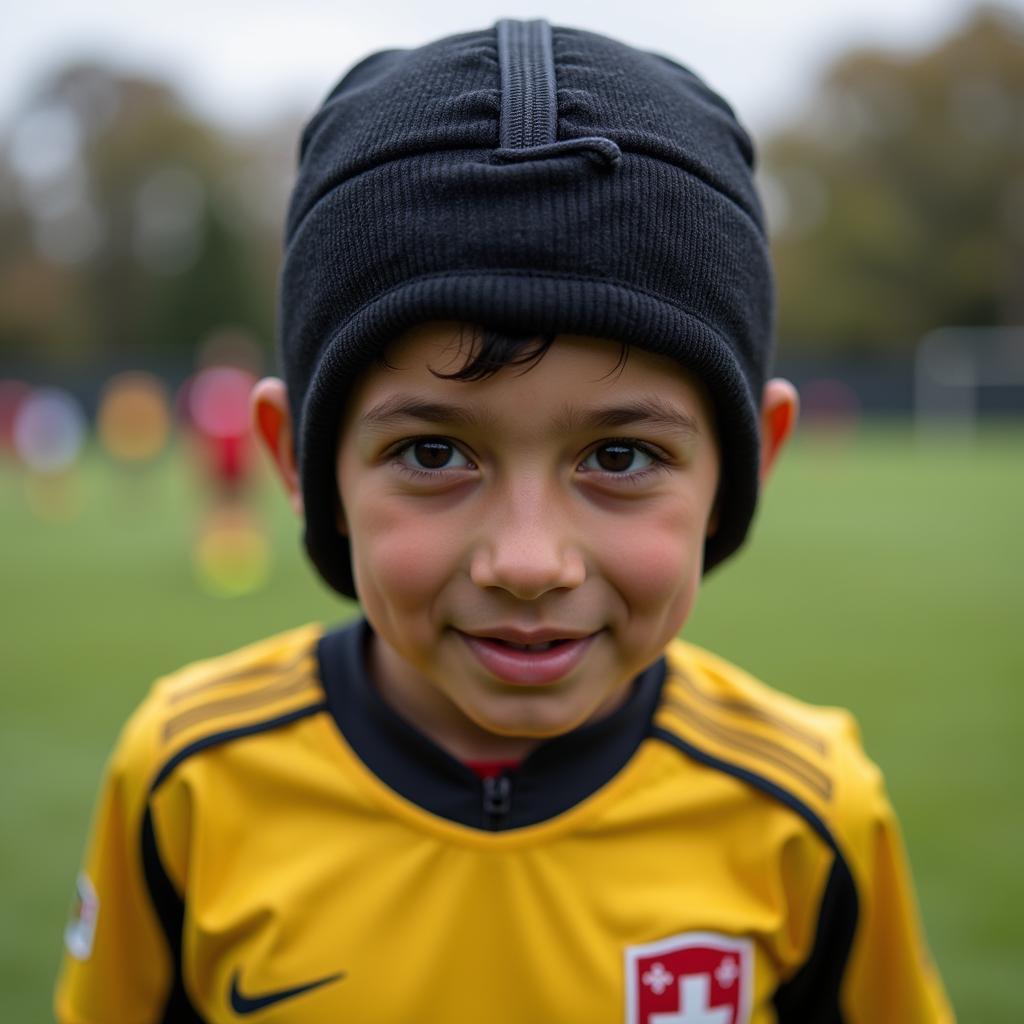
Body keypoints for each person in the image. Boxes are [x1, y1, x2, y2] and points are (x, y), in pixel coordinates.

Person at [55, 19, 953, 1023]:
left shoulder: (812, 811)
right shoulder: (186, 780)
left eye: (620, 457)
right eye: (433, 453)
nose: (528, 562)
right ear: (299, 463)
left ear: (751, 464)